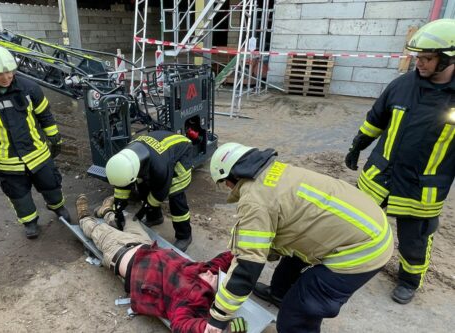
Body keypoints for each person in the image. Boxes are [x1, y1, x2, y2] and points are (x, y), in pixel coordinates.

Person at [204, 142, 393, 333]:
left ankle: (296, 317)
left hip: (364, 250)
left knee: (297, 315)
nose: (227, 188)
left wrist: (218, 317)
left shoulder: (255, 201)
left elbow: (248, 265)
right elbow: (283, 228)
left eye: (224, 183)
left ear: (232, 176)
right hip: (369, 223)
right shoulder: (276, 170)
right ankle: (279, 294)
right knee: (292, 261)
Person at [344, 19, 455, 304]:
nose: (420, 63)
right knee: (357, 223)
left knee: (414, 240)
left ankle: (409, 280)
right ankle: (348, 262)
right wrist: (358, 146)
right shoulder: (402, 86)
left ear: (448, 59)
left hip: (421, 190)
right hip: (379, 177)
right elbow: (375, 120)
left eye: (428, 59)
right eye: (418, 57)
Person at [74, 194, 248, 333]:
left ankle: (83, 216)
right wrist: (245, 254)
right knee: (129, 219)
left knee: (96, 230)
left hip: (120, 253)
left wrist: (206, 329)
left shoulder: (191, 299)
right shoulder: (206, 272)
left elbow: (180, 324)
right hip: (144, 244)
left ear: (214, 293)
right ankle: (107, 212)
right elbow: (224, 261)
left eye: (215, 280)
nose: (213, 273)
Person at [0, 45, 70, 239]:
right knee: (18, 195)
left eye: (9, 72)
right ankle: (30, 222)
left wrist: (55, 137)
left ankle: (58, 208)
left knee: (51, 184)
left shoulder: (29, 88)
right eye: (0, 74)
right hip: (8, 161)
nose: (6, 78)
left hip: (38, 152)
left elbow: (45, 115)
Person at [105, 130, 194, 251]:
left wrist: (145, 208)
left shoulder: (160, 167)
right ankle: (155, 217)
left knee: (175, 195)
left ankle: (185, 236)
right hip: (157, 153)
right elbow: (122, 184)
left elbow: (160, 193)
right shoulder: (124, 159)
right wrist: (119, 207)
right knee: (142, 186)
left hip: (181, 154)